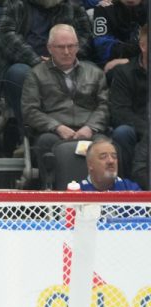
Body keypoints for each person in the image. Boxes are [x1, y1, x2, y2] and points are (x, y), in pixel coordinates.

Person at [0, 0, 92, 153]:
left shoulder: (72, 6)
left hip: (65, 65)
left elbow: (86, 36)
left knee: (91, 72)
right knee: (19, 73)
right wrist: (37, 62)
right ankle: (30, 139)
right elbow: (4, 34)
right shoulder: (17, 4)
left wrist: (63, 57)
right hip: (27, 64)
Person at [21, 24, 109, 188]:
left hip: (89, 129)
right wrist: (57, 127)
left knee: (107, 145)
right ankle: (50, 190)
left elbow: (104, 105)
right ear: (49, 48)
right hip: (54, 132)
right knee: (46, 141)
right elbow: (30, 110)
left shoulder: (94, 72)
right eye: (61, 47)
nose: (67, 51)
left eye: (71, 46)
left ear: (77, 46)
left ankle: (110, 194)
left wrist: (90, 127)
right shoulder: (36, 74)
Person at [109, 23, 147, 177]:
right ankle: (126, 187)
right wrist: (147, 130)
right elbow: (120, 112)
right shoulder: (124, 73)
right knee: (122, 132)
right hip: (138, 130)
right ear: (143, 46)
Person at [92, 0, 147, 72]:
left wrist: (131, 60)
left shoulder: (147, 8)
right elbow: (103, 48)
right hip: (113, 62)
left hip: (143, 60)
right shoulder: (104, 8)